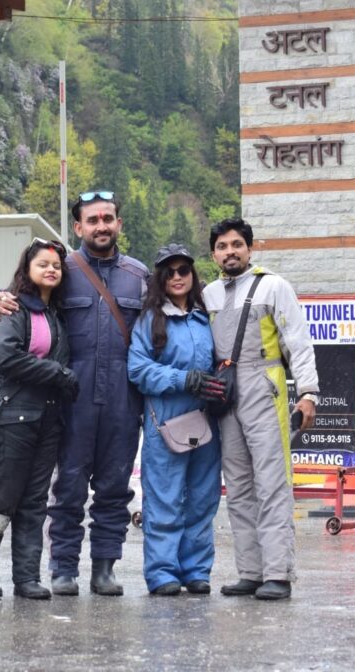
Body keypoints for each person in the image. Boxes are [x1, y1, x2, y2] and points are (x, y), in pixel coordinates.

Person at [0, 191, 148, 596]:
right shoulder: (66, 270)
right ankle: (63, 568)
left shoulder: (139, 275)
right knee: (69, 489)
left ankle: (105, 568)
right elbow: (22, 297)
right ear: (78, 227)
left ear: (118, 224)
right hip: (70, 402)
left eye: (108, 218)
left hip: (122, 403)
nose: (101, 226)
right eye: (92, 220)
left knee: (114, 488)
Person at [203, 217, 319, 601]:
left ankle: (278, 573)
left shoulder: (274, 286)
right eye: (222, 246)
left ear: (250, 249)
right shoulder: (209, 295)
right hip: (226, 391)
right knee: (236, 486)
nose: (230, 252)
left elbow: (297, 342)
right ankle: (250, 572)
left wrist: (308, 393)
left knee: (272, 482)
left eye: (237, 244)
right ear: (214, 254)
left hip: (264, 387)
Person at [0, 239, 78, 600]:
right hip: (12, 416)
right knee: (3, 499)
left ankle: (27, 579)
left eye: (56, 266)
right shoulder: (9, 307)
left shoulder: (55, 314)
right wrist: (59, 375)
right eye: (42, 264)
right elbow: (8, 359)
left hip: (47, 420)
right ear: (26, 270)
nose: (51, 269)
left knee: (34, 502)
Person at [128, 244, 223, 596]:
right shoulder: (149, 320)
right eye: (169, 271)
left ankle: (196, 570)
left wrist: (220, 383)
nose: (177, 276)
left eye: (184, 270)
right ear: (159, 278)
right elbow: (138, 369)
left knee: (202, 499)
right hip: (164, 423)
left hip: (206, 420)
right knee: (164, 501)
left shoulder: (205, 317)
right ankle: (163, 573)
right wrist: (182, 379)